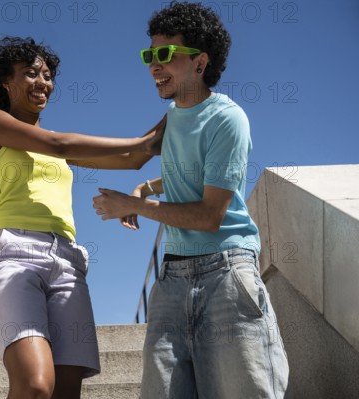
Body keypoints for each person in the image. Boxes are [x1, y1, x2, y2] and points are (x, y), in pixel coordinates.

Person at [92, 2, 291, 398]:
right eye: (149, 55)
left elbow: (209, 213)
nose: (153, 65)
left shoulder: (228, 118)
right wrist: (143, 189)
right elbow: (180, 171)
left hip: (227, 274)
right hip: (171, 283)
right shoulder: (172, 116)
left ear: (200, 62)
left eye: (165, 55)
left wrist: (133, 207)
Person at [0, 36, 163, 399]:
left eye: (47, 74)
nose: (42, 82)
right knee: (35, 386)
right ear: (5, 81)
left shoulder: (55, 144)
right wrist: (143, 141)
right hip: (14, 255)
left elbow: (133, 160)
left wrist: (182, 108)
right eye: (30, 74)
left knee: (65, 392)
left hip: (68, 263)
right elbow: (60, 145)